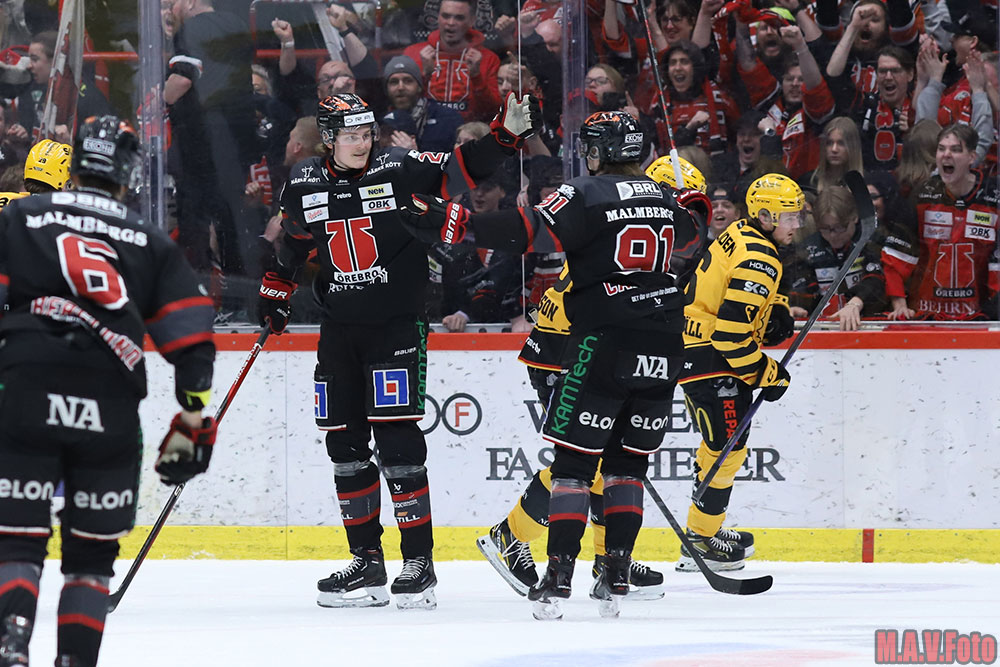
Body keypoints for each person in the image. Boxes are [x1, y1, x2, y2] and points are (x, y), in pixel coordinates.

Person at [400, 111, 709, 620]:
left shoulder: (584, 192)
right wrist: (692, 205)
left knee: (574, 467)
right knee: (627, 468)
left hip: (599, 344)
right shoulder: (663, 196)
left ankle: (559, 577)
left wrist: (460, 223)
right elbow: (693, 238)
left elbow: (528, 231)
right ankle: (615, 575)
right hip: (662, 346)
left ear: (596, 152)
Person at [257, 91, 540, 611]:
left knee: (398, 444)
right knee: (344, 448)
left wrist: (504, 136)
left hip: (395, 327)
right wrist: (276, 288)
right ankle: (366, 561)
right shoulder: (303, 181)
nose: (362, 143)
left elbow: (462, 168)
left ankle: (418, 563)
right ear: (328, 138)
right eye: (350, 135)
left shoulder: (398, 167)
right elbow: (294, 242)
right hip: (338, 331)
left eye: (366, 133)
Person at [0, 116, 216, 667]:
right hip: (110, 398)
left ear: (75, 164)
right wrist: (193, 418)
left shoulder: (21, 215)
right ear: (128, 174)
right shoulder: (149, 238)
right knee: (91, 558)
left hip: (26, 385)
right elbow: (193, 341)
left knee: (16, 537)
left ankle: (11, 643)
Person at [474, 155, 709, 603]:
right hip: (565, 351)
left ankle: (606, 560)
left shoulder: (627, 221)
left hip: (600, 348)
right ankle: (510, 535)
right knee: (585, 462)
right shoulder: (615, 221)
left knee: (602, 465)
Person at [677, 173, 804, 572]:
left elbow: (732, 292)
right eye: (789, 216)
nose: (797, 224)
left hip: (696, 349)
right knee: (726, 451)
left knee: (719, 446)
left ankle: (703, 530)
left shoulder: (740, 232)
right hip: (713, 359)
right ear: (765, 216)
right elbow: (731, 336)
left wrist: (775, 306)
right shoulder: (761, 257)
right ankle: (701, 540)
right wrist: (768, 373)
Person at [881, 124, 999, 320]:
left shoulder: (993, 196)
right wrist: (899, 304)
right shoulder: (923, 194)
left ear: (972, 157)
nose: (946, 155)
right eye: (941, 148)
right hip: (926, 316)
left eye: (955, 149)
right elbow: (896, 255)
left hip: (978, 319)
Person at [785, 185, 886, 330]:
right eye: (825, 228)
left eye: (839, 227)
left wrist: (856, 302)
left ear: (854, 217)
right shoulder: (807, 249)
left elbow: (877, 280)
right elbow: (800, 288)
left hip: (869, 324)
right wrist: (793, 306)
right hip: (822, 326)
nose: (832, 235)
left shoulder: (870, 241)